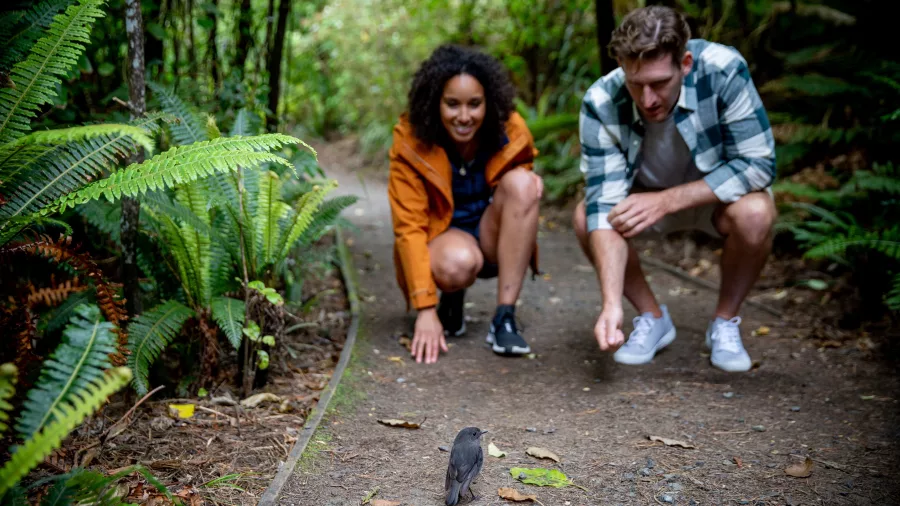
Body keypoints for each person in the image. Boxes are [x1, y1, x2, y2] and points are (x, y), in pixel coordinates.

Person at [573, 5, 777, 372]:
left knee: (757, 212)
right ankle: (651, 318)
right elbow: (603, 204)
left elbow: (758, 164)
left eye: (659, 84)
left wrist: (667, 200)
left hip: (714, 200)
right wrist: (610, 304)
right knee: (583, 215)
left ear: (684, 63)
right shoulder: (601, 100)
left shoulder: (723, 69)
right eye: (636, 84)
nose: (648, 99)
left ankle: (725, 323)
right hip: (641, 201)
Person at [388, 44, 542, 364]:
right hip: (444, 239)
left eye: (474, 104)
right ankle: (449, 300)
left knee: (526, 183)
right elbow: (409, 228)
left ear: (489, 102)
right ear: (435, 103)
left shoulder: (510, 131)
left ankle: (505, 317)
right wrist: (425, 309)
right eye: (452, 104)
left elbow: (519, 202)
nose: (464, 116)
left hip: (490, 233)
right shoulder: (411, 142)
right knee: (456, 263)